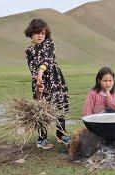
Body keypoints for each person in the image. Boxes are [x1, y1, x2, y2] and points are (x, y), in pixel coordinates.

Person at [24, 19, 70, 149]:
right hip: (39, 83)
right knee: (41, 109)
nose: (40, 36)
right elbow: (32, 68)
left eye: (43, 33)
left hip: (55, 80)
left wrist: (40, 74)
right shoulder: (28, 51)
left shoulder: (49, 43)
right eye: (37, 33)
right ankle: (41, 139)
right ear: (30, 33)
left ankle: (61, 134)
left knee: (60, 105)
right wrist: (38, 81)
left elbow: (47, 60)